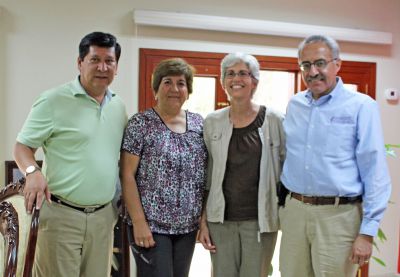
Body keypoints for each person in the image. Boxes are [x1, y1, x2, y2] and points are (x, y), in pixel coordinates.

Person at [14, 31, 127, 277]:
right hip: (60, 215)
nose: (102, 67)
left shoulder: (119, 106)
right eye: (94, 59)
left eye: (109, 61)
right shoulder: (53, 100)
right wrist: (32, 172)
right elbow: (22, 147)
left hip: (103, 218)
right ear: (79, 62)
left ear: (117, 67)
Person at [279, 34, 392, 277]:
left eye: (320, 63)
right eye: (306, 65)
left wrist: (367, 233)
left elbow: (375, 172)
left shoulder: (361, 106)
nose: (313, 71)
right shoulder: (295, 104)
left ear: (337, 64)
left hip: (339, 217)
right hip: (295, 212)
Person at [198, 52, 285, 277]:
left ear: (254, 81)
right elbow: (207, 175)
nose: (237, 79)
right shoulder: (212, 122)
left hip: (260, 221)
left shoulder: (274, 119)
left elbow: (285, 169)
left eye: (243, 74)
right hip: (220, 220)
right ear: (223, 81)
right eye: (230, 74)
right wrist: (203, 221)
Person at [120, 58, 207, 277]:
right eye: (168, 82)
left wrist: (203, 220)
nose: (175, 89)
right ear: (156, 88)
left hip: (187, 228)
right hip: (151, 226)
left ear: (188, 90)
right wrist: (139, 223)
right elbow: (127, 175)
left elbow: (206, 176)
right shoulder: (140, 123)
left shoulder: (200, 124)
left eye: (181, 83)